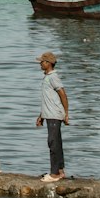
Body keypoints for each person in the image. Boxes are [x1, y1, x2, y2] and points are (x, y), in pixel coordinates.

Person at [36, 51, 69, 182]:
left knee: (53, 143)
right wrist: (41, 116)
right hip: (49, 114)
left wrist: (66, 114)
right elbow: (48, 99)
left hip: (55, 115)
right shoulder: (47, 77)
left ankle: (54, 173)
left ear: (48, 63)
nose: (40, 64)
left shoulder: (53, 77)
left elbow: (62, 94)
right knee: (56, 142)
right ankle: (60, 170)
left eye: (42, 62)